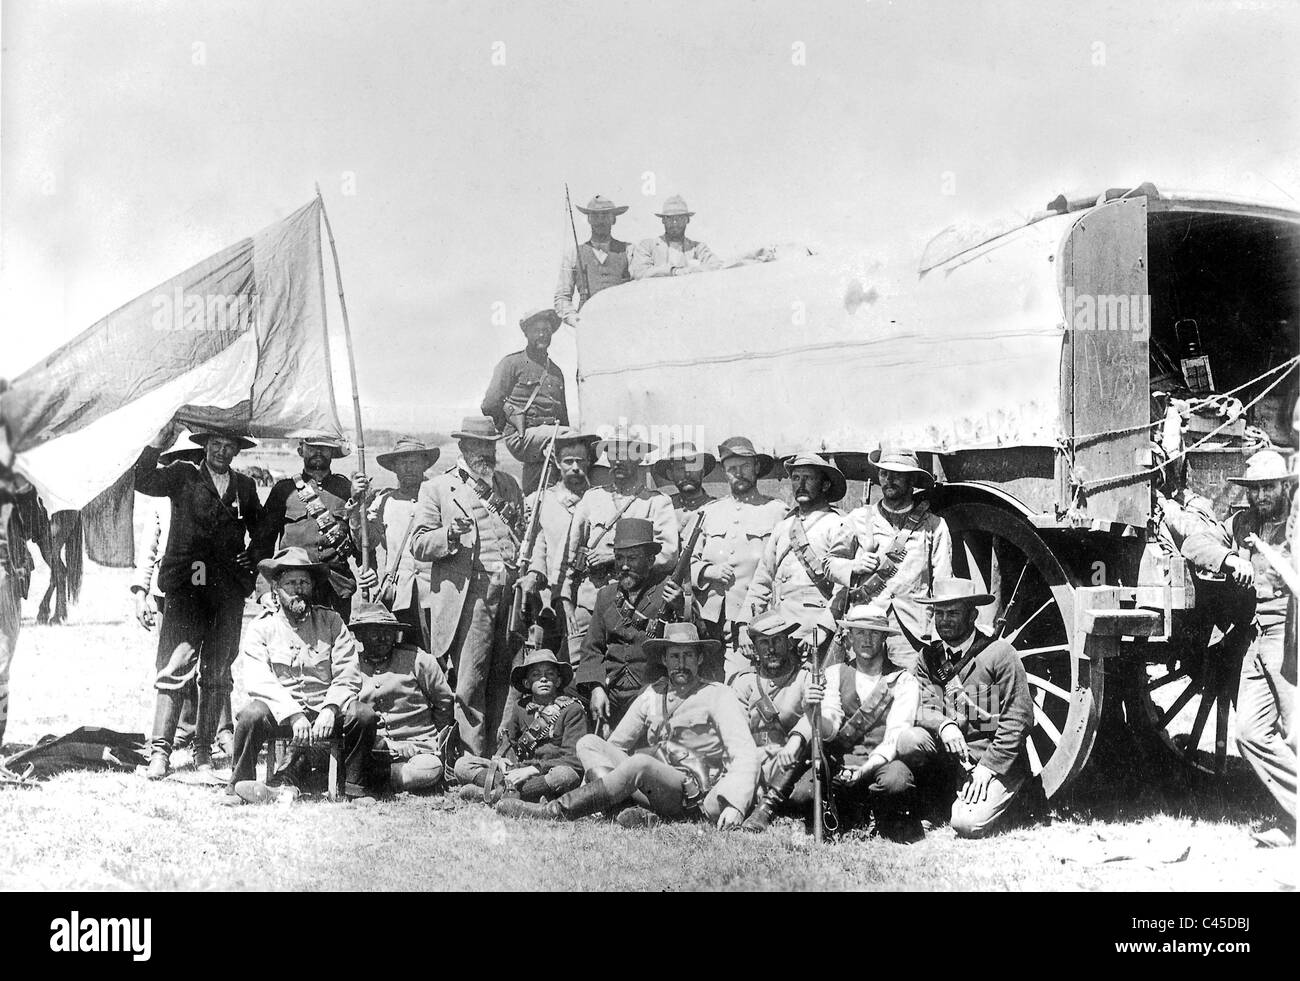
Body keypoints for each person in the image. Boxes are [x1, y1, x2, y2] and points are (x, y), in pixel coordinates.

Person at [497, 622, 759, 829]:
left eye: (688, 656)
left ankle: (554, 811)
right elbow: (616, 744)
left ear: (700, 659)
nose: (681, 664)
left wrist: (735, 803)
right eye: (674, 656)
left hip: (692, 792)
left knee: (639, 764)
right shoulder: (654, 694)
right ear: (665, 660)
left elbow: (745, 753)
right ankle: (624, 811)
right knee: (588, 743)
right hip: (651, 788)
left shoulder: (718, 695)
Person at [134, 421, 267, 781]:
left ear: (236, 451)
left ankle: (204, 752)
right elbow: (142, 479)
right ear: (205, 445)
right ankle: (160, 753)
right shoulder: (181, 475)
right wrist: (157, 442)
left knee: (218, 672)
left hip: (227, 590)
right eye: (216, 444)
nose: (222, 451)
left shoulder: (246, 487)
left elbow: (264, 530)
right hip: (189, 586)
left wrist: (252, 557)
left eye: (228, 446)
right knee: (176, 667)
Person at [411, 416, 526, 756]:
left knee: (507, 676)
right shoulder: (436, 489)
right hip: (470, 595)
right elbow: (419, 544)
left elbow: (521, 536)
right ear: (462, 447)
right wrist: (449, 534)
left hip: (509, 593)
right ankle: (471, 761)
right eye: (478, 445)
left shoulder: (509, 485)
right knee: (471, 680)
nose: (485, 452)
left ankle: (502, 754)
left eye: (490, 445)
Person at [229, 548, 378, 804]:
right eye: (290, 583)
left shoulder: (332, 621)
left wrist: (331, 708)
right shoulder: (261, 627)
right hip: (283, 713)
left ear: (312, 586)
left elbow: (348, 671)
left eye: (304, 582)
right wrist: (293, 713)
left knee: (363, 715)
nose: (298, 589)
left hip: (325, 712)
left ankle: (356, 789)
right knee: (250, 715)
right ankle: (239, 787)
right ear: (276, 588)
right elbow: (258, 679)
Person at [131, 444, 234, 766]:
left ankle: (220, 731)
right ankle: (177, 734)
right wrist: (140, 589)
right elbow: (150, 546)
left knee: (216, 666)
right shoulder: (166, 495)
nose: (185, 464)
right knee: (175, 664)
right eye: (178, 460)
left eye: (189, 458)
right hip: (175, 588)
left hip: (209, 585)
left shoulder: (225, 492)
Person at [911, 578, 1034, 838]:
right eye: (939, 613)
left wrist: (988, 768)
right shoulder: (929, 658)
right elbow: (922, 705)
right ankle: (936, 802)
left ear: (973, 615)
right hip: (952, 762)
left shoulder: (1000, 654)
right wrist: (944, 726)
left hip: (995, 761)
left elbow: (1018, 719)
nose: (944, 620)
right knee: (911, 739)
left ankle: (1013, 797)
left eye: (953, 613)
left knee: (966, 824)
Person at [1226, 449, 1296, 832]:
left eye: (1267, 488)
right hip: (1257, 639)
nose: (1260, 497)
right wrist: (1228, 557)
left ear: (1284, 487)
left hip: (1289, 639)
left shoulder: (1294, 528)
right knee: (1249, 733)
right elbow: (1208, 535)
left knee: (1297, 732)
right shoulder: (1244, 524)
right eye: (1254, 490)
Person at [563, 429, 679, 658]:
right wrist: (567, 599)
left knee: (633, 664)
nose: (618, 460)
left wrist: (614, 558)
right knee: (581, 664)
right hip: (591, 600)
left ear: (639, 457)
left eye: (626, 453)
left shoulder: (656, 502)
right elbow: (572, 553)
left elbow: (669, 554)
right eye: (613, 453)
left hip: (637, 602)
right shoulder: (592, 498)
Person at [833, 447, 951, 669]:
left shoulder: (935, 526)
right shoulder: (858, 519)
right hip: (866, 628)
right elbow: (830, 564)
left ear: (912, 479)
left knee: (911, 696)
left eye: (897, 475)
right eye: (884, 473)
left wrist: (937, 638)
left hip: (912, 634)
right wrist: (853, 566)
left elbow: (944, 585)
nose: (889, 480)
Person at [576, 518, 699, 732]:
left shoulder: (670, 591)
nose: (624, 565)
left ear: (650, 560)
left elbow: (696, 638)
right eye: (619, 558)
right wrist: (596, 687)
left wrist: (681, 607)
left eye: (632, 558)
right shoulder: (606, 596)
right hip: (611, 690)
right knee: (566, 701)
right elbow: (591, 648)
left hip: (651, 688)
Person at [821, 604, 929, 841]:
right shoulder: (834, 674)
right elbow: (831, 724)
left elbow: (895, 736)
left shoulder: (903, 680)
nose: (867, 639)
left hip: (882, 762)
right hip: (843, 762)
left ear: (884, 637)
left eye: (874, 632)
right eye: (859, 632)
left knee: (897, 783)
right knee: (803, 795)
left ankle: (874, 811)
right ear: (849, 638)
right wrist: (816, 715)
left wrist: (863, 771)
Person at [690, 437, 787, 680]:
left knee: (741, 683)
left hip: (752, 619)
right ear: (724, 473)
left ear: (756, 467)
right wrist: (707, 572)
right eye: (732, 469)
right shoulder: (709, 512)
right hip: (707, 623)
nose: (739, 474)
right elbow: (688, 562)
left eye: (744, 466)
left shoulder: (776, 511)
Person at [456, 634, 587, 804]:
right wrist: (501, 759)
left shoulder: (572, 710)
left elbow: (573, 760)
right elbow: (510, 742)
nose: (544, 678)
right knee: (463, 764)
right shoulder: (521, 707)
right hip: (519, 771)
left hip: (547, 772)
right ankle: (519, 793)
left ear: (558, 680)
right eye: (536, 674)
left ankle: (498, 793)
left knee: (565, 776)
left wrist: (533, 770)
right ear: (526, 683)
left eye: (550, 674)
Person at [730, 610, 826, 833]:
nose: (771, 649)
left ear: (789, 642)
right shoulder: (745, 683)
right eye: (764, 643)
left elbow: (815, 718)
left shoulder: (805, 677)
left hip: (790, 763)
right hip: (753, 763)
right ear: (755, 647)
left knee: (803, 795)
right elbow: (736, 733)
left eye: (777, 641)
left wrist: (795, 740)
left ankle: (766, 806)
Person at [743, 452, 856, 638]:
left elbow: (844, 586)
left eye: (808, 478)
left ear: (825, 485)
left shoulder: (838, 524)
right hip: (778, 630)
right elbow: (762, 579)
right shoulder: (783, 527)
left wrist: (824, 628)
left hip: (815, 630)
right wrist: (743, 623)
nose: (800, 485)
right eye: (796, 478)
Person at [354, 602, 455, 795]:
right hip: (373, 747)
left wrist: (429, 741)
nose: (383, 638)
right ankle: (374, 776)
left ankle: (373, 779)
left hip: (418, 748)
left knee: (428, 770)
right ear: (360, 635)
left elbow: (444, 703)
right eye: (375, 633)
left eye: (389, 632)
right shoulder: (351, 666)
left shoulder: (419, 660)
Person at [519, 428, 601, 662]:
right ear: (556, 462)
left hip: (587, 600)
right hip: (549, 604)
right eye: (568, 461)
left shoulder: (597, 499)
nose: (575, 467)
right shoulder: (539, 501)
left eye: (580, 461)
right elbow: (537, 544)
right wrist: (535, 573)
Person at [352, 436, 441, 647]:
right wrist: (358, 506)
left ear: (425, 464)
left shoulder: (440, 497)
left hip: (435, 593)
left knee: (437, 657)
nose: (408, 468)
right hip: (399, 594)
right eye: (402, 462)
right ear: (394, 467)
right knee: (401, 653)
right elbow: (366, 541)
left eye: (414, 462)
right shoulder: (384, 501)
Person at [263, 436, 365, 621]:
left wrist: (368, 569)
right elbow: (263, 543)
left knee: (335, 645)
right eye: (312, 447)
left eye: (324, 448)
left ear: (333, 452)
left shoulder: (348, 489)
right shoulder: (283, 490)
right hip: (293, 587)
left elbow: (362, 543)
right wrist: (263, 589)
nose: (318, 451)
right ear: (301, 450)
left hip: (335, 587)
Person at [481, 308, 569, 495]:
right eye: (537, 330)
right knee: (568, 438)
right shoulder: (512, 364)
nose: (542, 334)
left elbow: (563, 416)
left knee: (539, 493)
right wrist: (511, 418)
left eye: (547, 330)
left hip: (549, 437)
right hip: (521, 436)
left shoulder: (556, 372)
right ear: (526, 333)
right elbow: (489, 405)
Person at [554, 194, 632, 326]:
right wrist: (575, 320)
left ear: (614, 220)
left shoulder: (629, 250)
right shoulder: (573, 254)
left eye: (605, 215)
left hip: (622, 324)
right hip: (588, 325)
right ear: (588, 219)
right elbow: (562, 297)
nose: (600, 221)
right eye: (595, 216)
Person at [0, 458, 33, 756]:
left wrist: (24, 489)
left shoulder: (14, 479)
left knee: (2, 662)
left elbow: (34, 524)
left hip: (6, 578)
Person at [629, 195, 723, 279]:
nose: (675, 223)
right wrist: (673, 271)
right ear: (663, 221)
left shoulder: (698, 248)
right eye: (669, 218)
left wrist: (690, 270)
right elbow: (639, 272)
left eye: (680, 218)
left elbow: (716, 265)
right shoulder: (648, 246)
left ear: (688, 220)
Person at [652, 441, 717, 531]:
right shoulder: (662, 509)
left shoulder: (717, 509)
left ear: (702, 472)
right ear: (670, 474)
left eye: (692, 467)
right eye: (680, 469)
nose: (687, 474)